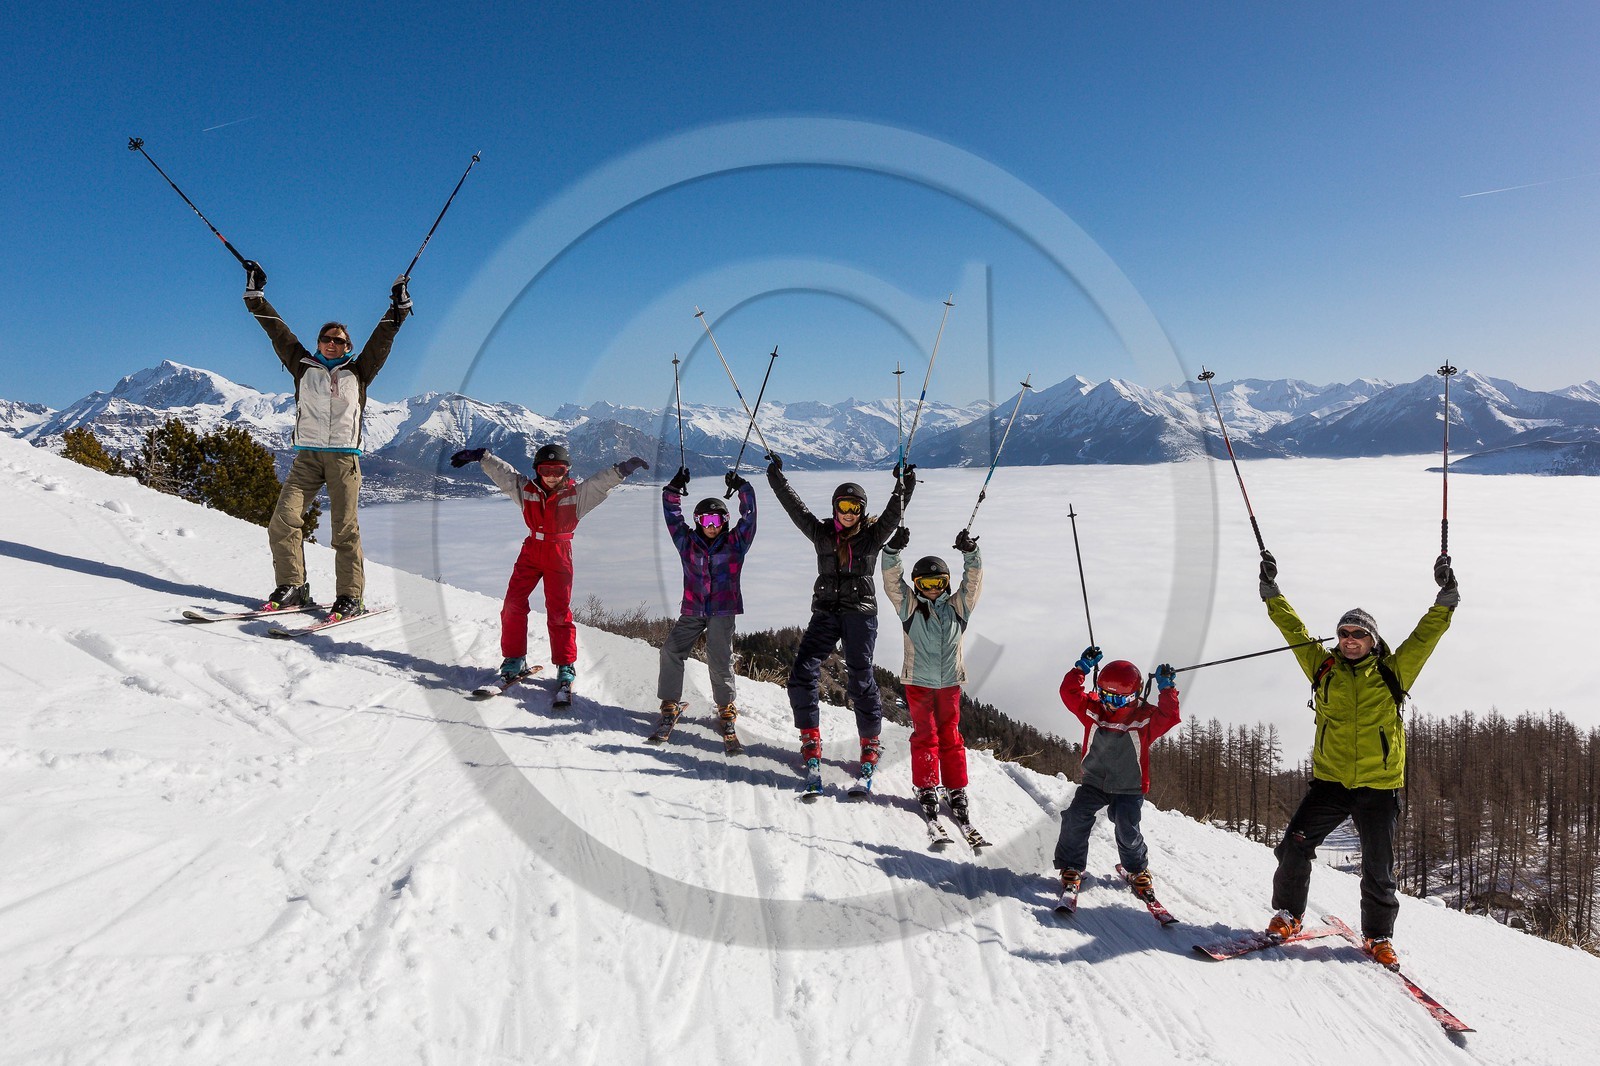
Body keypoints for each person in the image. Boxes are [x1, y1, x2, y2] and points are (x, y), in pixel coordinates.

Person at [1257, 548, 1458, 969]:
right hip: (1330, 783)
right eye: (1345, 633)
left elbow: (1425, 638)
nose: (1350, 639)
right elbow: (1294, 631)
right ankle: (1289, 916)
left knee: (1378, 867)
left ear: (1372, 640)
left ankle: (1379, 937)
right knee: (1294, 845)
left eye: (1359, 634)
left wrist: (1445, 598)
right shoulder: (1322, 667)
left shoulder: (1393, 671)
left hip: (1378, 787)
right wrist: (1271, 592)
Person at [242, 260, 410, 618]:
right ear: (318, 342)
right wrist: (256, 296)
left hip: (343, 460)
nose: (332, 343)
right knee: (282, 521)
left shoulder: (359, 371)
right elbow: (277, 332)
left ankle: (350, 596)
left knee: (344, 531)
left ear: (347, 345)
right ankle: (292, 587)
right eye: (326, 338)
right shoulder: (302, 365)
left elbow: (383, 339)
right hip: (307, 458)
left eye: (339, 340)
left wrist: (397, 308)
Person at [450, 443, 647, 688]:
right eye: (546, 470)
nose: (552, 476)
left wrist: (622, 470)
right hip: (531, 551)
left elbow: (599, 483)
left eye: (558, 470)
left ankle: (566, 664)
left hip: (559, 554)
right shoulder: (526, 490)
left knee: (558, 612)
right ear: (537, 470)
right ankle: (514, 659)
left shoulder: (576, 496)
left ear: (567, 471)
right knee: (512, 604)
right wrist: (483, 457)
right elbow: (505, 475)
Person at [766, 453, 911, 777]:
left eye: (854, 508)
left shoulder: (872, 537)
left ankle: (870, 741)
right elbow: (796, 509)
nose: (848, 514)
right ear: (835, 508)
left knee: (860, 676)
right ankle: (810, 737)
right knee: (802, 672)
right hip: (827, 612)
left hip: (860, 613)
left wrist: (905, 483)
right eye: (843, 507)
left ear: (861, 510)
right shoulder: (821, 534)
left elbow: (891, 514)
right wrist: (776, 477)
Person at [1054, 649, 1181, 900]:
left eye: (1120, 700)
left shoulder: (1145, 719)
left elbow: (1169, 716)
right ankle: (1071, 865)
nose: (1111, 704)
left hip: (1129, 786)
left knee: (1127, 827)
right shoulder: (1093, 709)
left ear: (1134, 697)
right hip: (1094, 782)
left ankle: (1136, 869)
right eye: (1105, 695)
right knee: (1075, 818)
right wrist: (1080, 669)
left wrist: (1168, 691)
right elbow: (1068, 694)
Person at [881, 526, 983, 819]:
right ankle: (926, 785)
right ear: (916, 585)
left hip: (950, 683)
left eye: (938, 582)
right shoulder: (910, 608)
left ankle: (956, 787)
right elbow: (892, 583)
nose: (933, 588)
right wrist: (892, 552)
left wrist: (970, 553)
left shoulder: (958, 607)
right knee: (926, 734)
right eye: (926, 583)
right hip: (919, 684)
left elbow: (973, 583)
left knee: (950, 734)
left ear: (947, 583)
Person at [654, 467, 758, 741]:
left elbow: (749, 518)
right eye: (706, 519)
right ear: (698, 521)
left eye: (718, 519)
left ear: (725, 521)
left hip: (723, 611)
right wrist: (674, 489)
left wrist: (743, 489)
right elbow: (672, 517)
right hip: (693, 609)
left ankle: (726, 706)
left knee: (720, 659)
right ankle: (669, 701)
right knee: (670, 651)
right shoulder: (686, 542)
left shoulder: (736, 543)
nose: (712, 525)